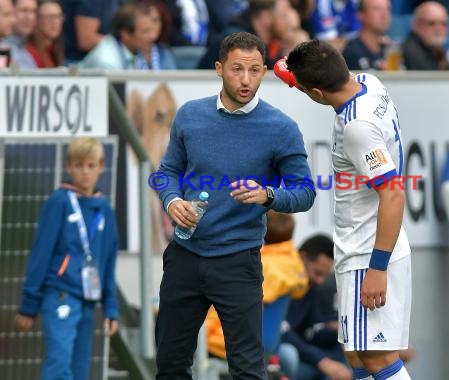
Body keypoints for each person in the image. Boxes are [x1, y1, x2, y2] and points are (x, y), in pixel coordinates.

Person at [154, 31, 316, 379]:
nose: (246, 80)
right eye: (237, 69)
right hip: (185, 254)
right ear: (218, 69)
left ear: (265, 71)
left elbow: (305, 192)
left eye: (255, 70)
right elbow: (167, 171)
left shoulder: (281, 128)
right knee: (169, 365)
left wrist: (269, 195)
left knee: (248, 370)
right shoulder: (190, 116)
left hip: (238, 261)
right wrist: (171, 201)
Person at [282, 39, 412, 379]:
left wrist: (377, 268)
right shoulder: (369, 82)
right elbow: (319, 69)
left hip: (368, 251)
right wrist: (292, 73)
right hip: (365, 245)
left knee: (377, 359)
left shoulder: (358, 128)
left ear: (317, 94)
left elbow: (394, 193)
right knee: (356, 354)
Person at [14, 137, 120, 380]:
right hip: (60, 293)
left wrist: (111, 307)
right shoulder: (59, 201)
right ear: (69, 167)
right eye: (79, 165)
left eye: (91, 165)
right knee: (59, 366)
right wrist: (30, 304)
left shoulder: (104, 208)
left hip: (88, 299)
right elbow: (41, 253)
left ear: (101, 167)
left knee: (79, 369)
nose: (85, 172)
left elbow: (109, 260)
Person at [206, 210, 309, 379]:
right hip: (266, 346)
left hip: (234, 344)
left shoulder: (260, 264)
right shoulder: (294, 263)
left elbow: (247, 305)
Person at [280, 234, 352, 380]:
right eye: (318, 273)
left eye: (325, 275)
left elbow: (312, 329)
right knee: (290, 356)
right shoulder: (281, 279)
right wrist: (321, 361)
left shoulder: (312, 286)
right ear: (303, 257)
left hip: (302, 349)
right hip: (280, 349)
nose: (320, 281)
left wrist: (343, 332)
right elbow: (282, 332)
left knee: (341, 355)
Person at [79, 2, 155, 70]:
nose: (153, 36)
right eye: (145, 32)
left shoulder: (134, 51)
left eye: (151, 30)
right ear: (126, 34)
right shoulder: (107, 62)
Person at [342, 0, 392, 71]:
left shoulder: (391, 50)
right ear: (361, 15)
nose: (385, 15)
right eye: (377, 9)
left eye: (388, 9)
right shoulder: (352, 52)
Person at [402, 1, 449, 70]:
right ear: (416, 25)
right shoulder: (411, 52)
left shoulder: (437, 49)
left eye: (444, 24)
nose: (439, 29)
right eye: (431, 23)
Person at [26, 0, 64, 68]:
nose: (55, 21)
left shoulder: (53, 50)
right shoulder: (31, 52)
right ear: (37, 20)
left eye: (59, 16)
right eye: (50, 17)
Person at [2, 0, 37, 69]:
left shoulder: (26, 53)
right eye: (24, 10)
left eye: (33, 11)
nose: (29, 17)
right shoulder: (4, 51)